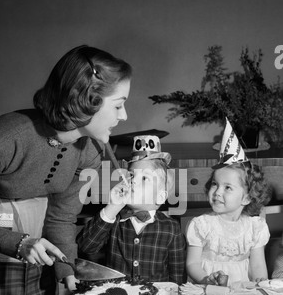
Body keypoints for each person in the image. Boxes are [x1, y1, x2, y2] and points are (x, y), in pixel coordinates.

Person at [0, 44, 132, 295]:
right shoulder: (7, 137)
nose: (124, 116)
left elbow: (62, 219)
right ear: (86, 100)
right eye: (119, 105)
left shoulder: (89, 151)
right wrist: (18, 243)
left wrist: (66, 270)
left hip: (34, 273)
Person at [77, 135, 186, 285]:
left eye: (144, 178)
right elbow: (86, 247)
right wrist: (112, 208)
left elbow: (177, 276)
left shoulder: (172, 229)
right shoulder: (114, 219)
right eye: (132, 175)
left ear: (160, 197)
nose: (133, 180)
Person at [186, 119, 272, 286]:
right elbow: (192, 264)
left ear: (247, 197)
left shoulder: (255, 228)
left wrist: (261, 283)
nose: (217, 192)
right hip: (207, 288)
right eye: (214, 184)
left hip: (241, 291)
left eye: (228, 188)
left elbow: (258, 266)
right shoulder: (201, 225)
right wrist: (206, 279)